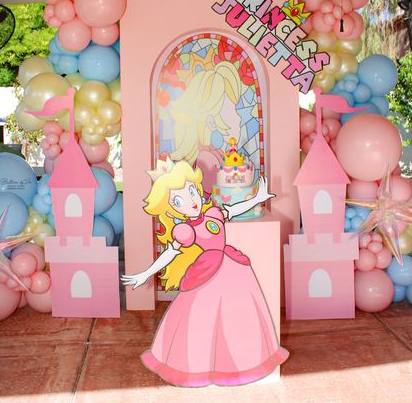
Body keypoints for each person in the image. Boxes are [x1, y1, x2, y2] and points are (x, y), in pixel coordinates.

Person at [121, 158, 289, 387]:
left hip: (232, 267)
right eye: (178, 200)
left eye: (191, 190)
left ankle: (240, 361)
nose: (190, 200)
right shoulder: (184, 230)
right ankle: (202, 365)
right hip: (207, 272)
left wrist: (257, 198)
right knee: (202, 321)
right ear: (171, 208)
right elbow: (170, 253)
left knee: (238, 317)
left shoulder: (213, 213)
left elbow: (232, 210)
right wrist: (146, 273)